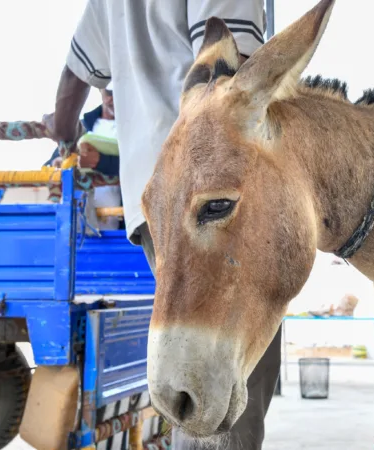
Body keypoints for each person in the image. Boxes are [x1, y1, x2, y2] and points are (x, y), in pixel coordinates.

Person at [48, 1, 279, 449]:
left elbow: (72, 82)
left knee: (192, 369)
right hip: (216, 197)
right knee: (226, 380)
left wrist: (62, 132)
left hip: (154, 204)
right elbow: (237, 79)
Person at [44, 86, 122, 230]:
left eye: (119, 92)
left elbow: (145, 165)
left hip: (122, 223)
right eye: (109, 93)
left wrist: (100, 161)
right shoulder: (81, 126)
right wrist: (58, 163)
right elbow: (53, 161)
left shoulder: (137, 130)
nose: (112, 99)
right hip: (79, 217)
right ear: (100, 90)